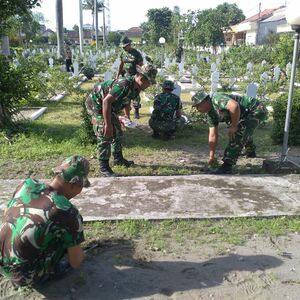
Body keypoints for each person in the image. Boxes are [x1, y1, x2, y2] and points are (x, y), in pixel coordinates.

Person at [0, 155, 90, 294]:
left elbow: (7, 213)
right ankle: (46, 273)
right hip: (21, 277)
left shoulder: (26, 184)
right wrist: (81, 254)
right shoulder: (67, 212)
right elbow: (76, 262)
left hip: (1, 258)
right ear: (74, 185)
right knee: (66, 238)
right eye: (81, 186)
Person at [86, 64, 157, 177]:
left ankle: (118, 159)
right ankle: (103, 167)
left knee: (117, 131)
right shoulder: (124, 84)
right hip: (97, 104)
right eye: (148, 82)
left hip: (109, 107)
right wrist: (108, 125)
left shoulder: (136, 87)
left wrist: (126, 117)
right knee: (105, 133)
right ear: (140, 77)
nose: (149, 85)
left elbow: (127, 100)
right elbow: (106, 101)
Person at [192, 90, 268, 174]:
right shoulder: (211, 114)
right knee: (243, 129)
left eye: (198, 106)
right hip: (243, 114)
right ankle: (250, 151)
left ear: (205, 101)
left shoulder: (217, 99)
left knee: (237, 132)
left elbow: (234, 106)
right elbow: (213, 135)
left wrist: (234, 126)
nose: (197, 109)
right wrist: (211, 157)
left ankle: (227, 166)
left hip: (255, 109)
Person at [116, 36, 144, 119]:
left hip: (136, 76)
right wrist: (117, 75)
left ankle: (136, 110)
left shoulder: (136, 53)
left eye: (125, 46)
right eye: (123, 47)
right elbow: (121, 65)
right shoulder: (123, 53)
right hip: (126, 76)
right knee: (126, 94)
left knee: (136, 94)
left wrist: (140, 77)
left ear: (129, 45)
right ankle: (127, 110)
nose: (124, 48)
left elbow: (141, 65)